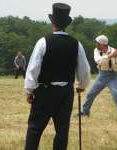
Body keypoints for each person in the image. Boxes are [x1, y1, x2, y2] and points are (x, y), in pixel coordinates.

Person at [24, 3, 90, 150]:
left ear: (52, 22)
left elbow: (33, 69)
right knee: (62, 130)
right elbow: (84, 70)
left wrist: (29, 90)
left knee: (35, 128)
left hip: (45, 92)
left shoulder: (43, 42)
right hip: (66, 93)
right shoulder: (76, 44)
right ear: (66, 24)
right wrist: (82, 85)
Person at [80, 35, 117, 121]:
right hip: (101, 75)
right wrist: (108, 56)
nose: (96, 45)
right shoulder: (96, 51)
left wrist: (115, 58)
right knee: (91, 94)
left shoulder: (114, 51)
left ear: (102, 44)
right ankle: (85, 111)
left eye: (97, 43)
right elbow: (98, 61)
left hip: (112, 76)